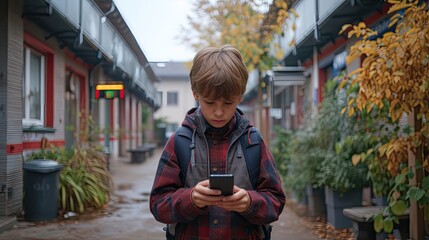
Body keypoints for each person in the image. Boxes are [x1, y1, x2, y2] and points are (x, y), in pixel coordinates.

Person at [149, 45, 285, 240]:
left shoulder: (253, 142)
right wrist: (191, 199)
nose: (219, 112)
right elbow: (157, 205)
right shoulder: (179, 141)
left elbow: (276, 202)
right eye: (210, 102)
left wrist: (249, 202)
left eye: (228, 103)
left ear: (240, 96)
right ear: (196, 93)